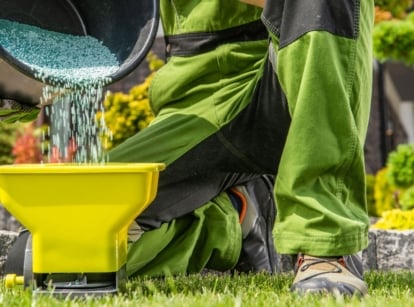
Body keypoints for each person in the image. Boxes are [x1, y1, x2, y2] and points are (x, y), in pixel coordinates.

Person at [5, 0, 374, 296]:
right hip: (204, 97)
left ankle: (326, 247)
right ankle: (233, 217)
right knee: (48, 252)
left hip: (304, 76)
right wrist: (12, 88)